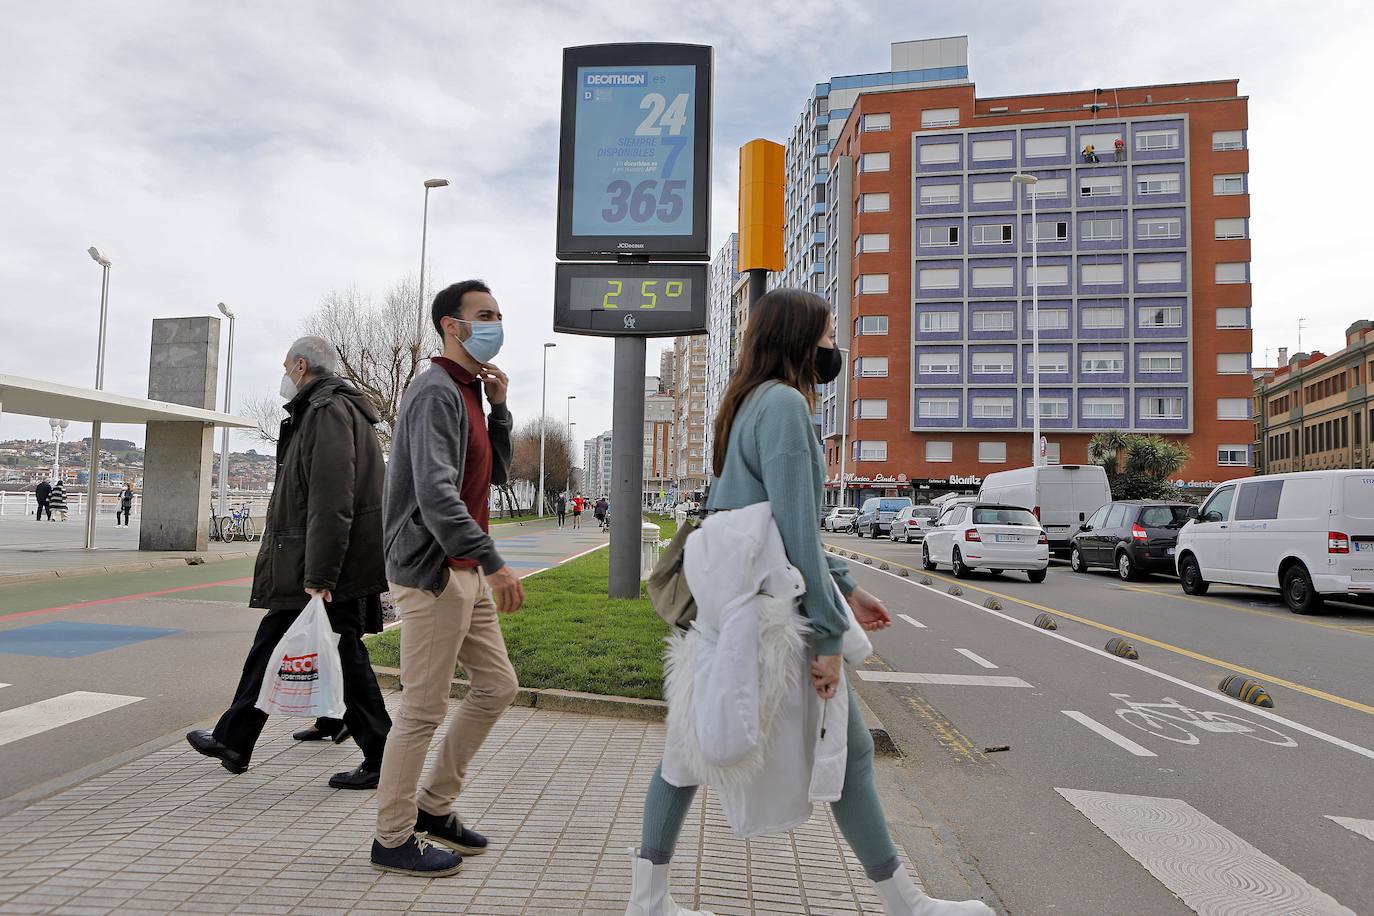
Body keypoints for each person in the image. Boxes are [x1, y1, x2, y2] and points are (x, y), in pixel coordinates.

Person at [625, 289, 991, 916]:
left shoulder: (740, 407)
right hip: (774, 614)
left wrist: (849, 585)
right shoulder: (788, 407)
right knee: (850, 755)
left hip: (727, 610)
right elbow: (796, 530)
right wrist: (828, 637)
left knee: (684, 752)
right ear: (799, 339)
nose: (833, 348)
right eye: (825, 335)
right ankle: (908, 905)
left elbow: (763, 521)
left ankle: (647, 900)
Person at [186, 336, 392, 792]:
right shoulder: (330, 410)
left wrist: (320, 575)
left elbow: (331, 499)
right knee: (299, 648)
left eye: (285, 366)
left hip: (324, 568)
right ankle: (235, 740)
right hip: (324, 563)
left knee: (342, 657)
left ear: (300, 366)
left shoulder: (326, 413)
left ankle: (383, 755)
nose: (283, 375)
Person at [371, 279, 525, 878]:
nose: (495, 323)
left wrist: (501, 410)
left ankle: (434, 807)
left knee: (497, 686)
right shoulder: (435, 391)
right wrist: (492, 560)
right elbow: (436, 496)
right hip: (435, 572)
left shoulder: (468, 393)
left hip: (463, 572)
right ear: (450, 326)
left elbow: (496, 477)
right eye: (483, 314)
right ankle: (392, 835)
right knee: (422, 708)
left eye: (499, 314)